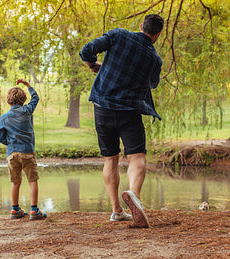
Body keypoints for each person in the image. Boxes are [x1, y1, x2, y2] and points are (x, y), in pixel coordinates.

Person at [79, 14, 164, 228]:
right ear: (156, 35)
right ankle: (133, 195)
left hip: (103, 108)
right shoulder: (154, 59)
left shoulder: (118, 35)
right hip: (130, 111)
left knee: (111, 159)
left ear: (141, 26)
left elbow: (86, 51)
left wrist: (94, 65)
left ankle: (117, 210)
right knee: (137, 157)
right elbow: (152, 84)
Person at [0, 79, 46, 221]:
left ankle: (15, 209)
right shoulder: (27, 111)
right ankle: (34, 211)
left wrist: (11, 143)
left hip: (12, 153)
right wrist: (27, 84)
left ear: (8, 101)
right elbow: (36, 98)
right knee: (32, 180)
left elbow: (1, 137)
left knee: (15, 182)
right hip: (27, 153)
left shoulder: (3, 118)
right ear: (23, 99)